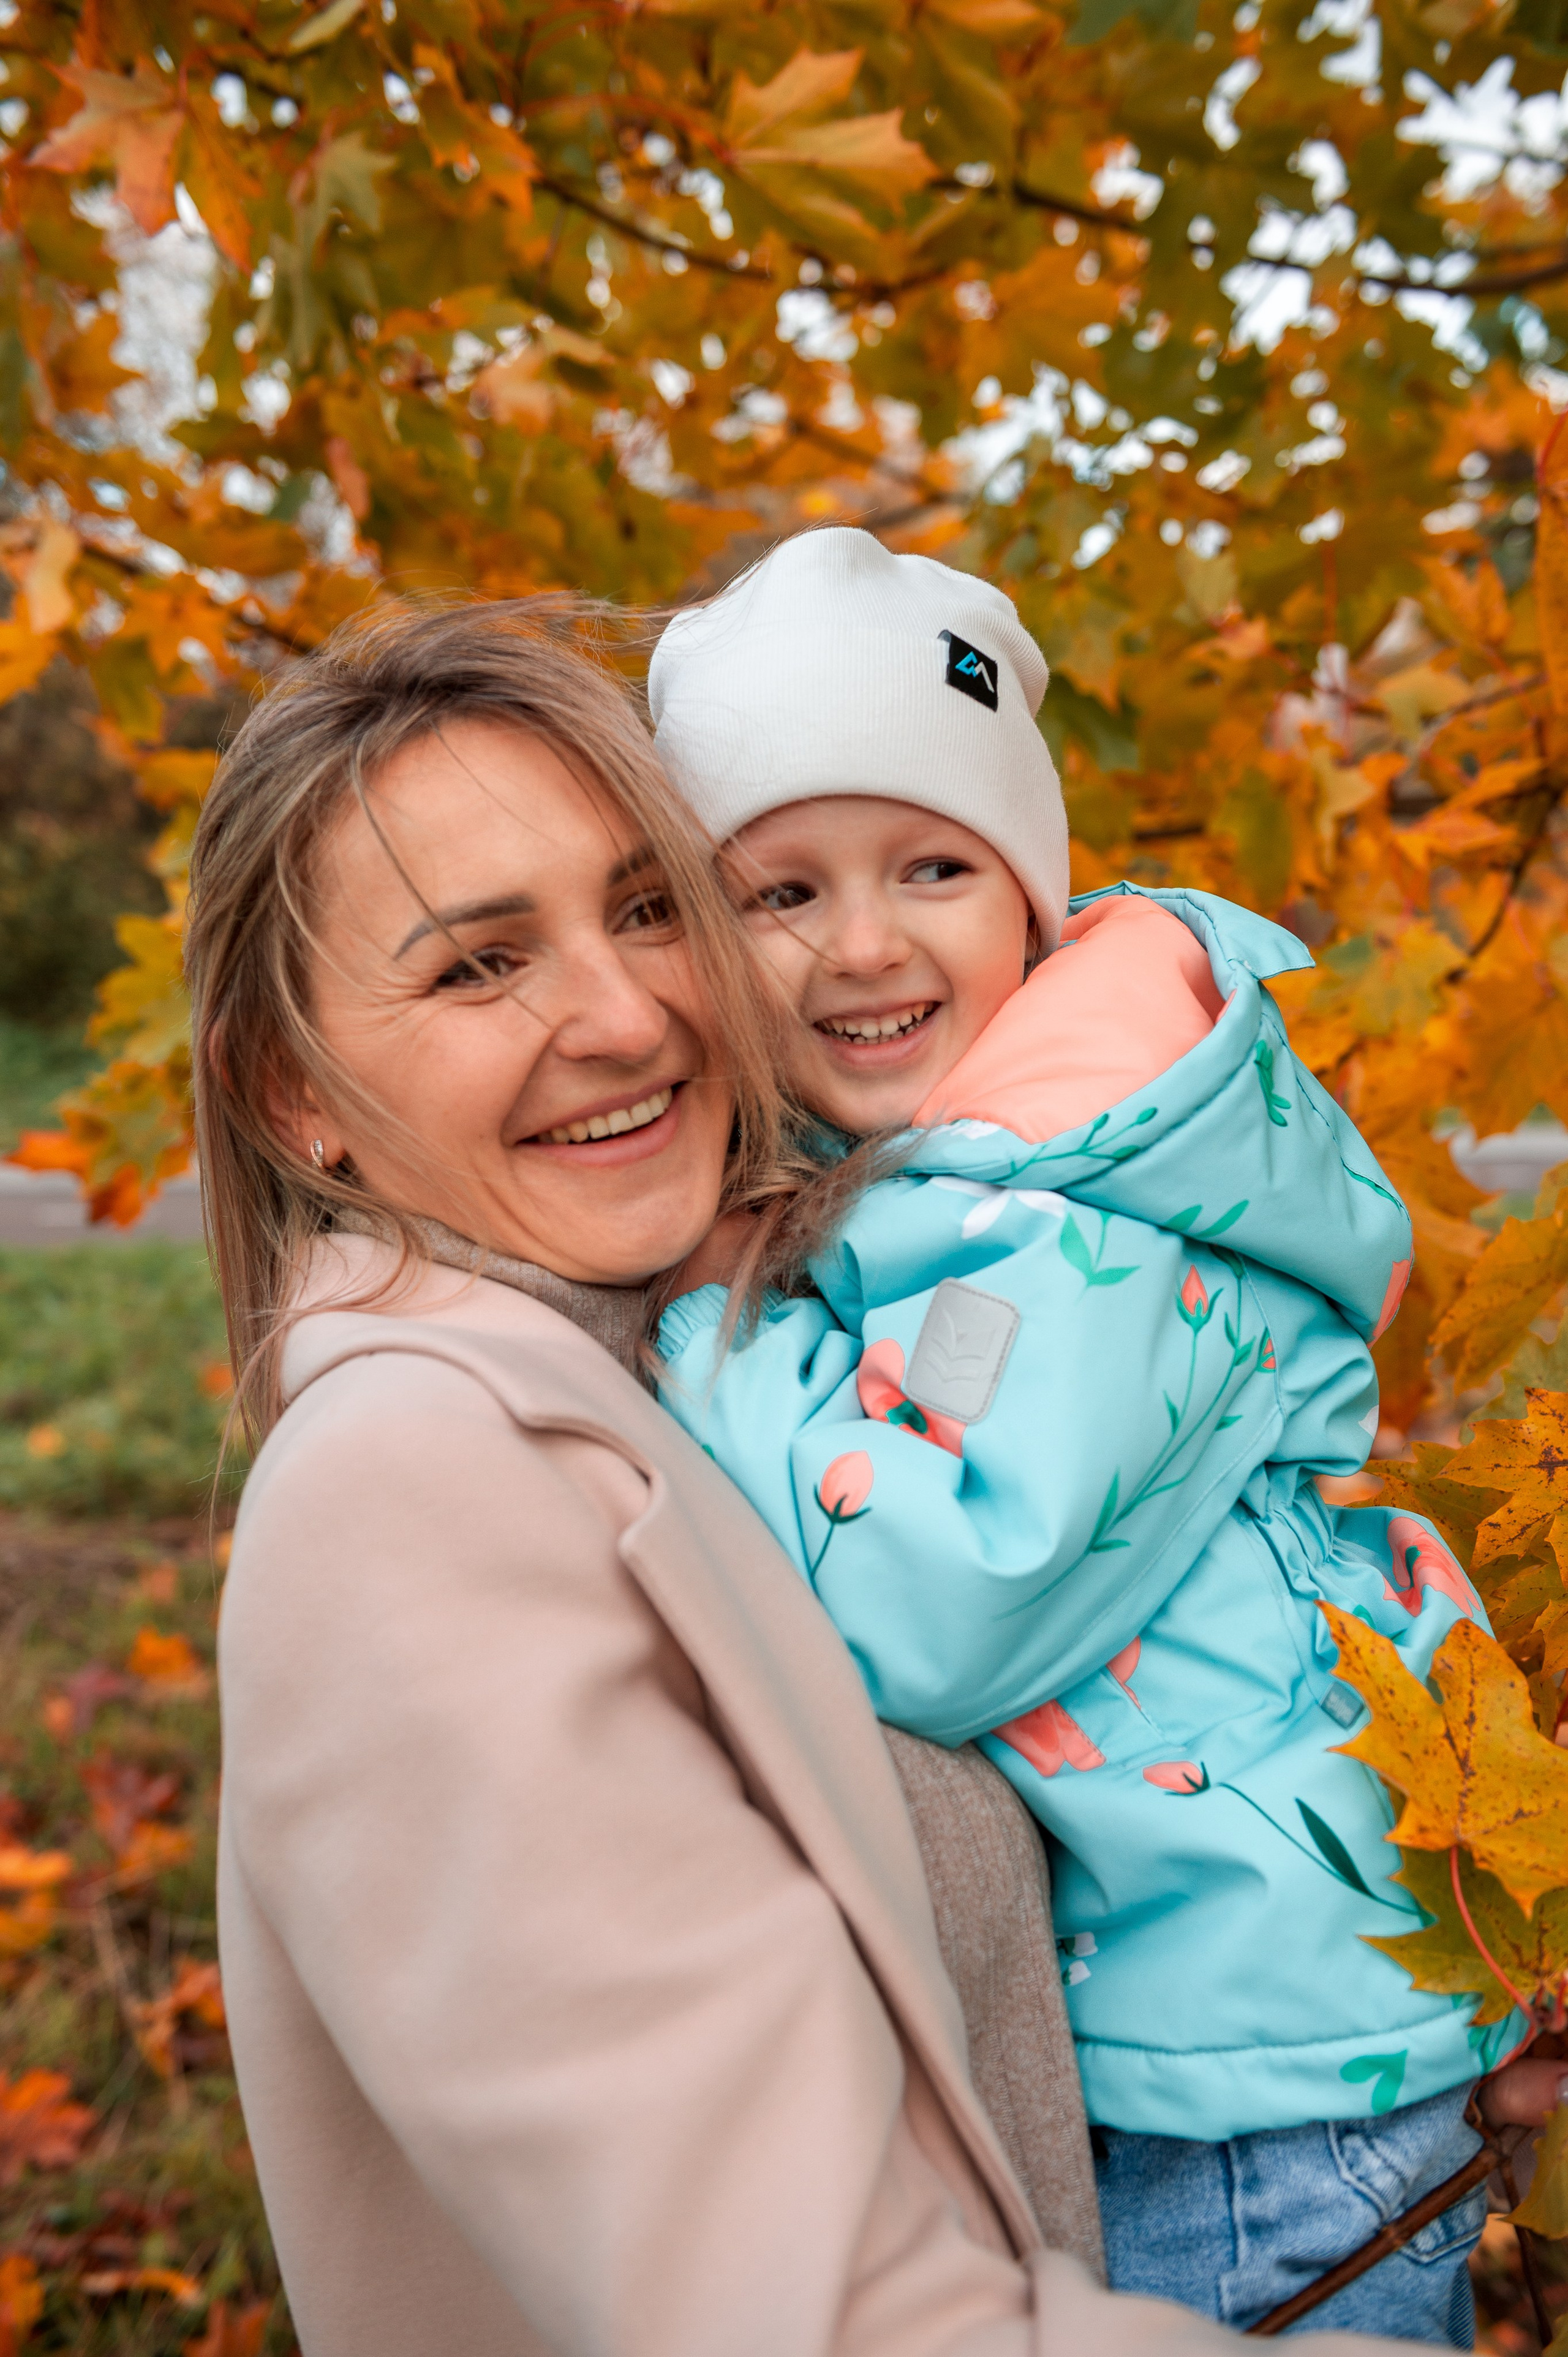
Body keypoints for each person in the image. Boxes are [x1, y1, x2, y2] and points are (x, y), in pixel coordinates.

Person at [190, 594, 1402, 2357]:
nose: (624, 1015)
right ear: (292, 1090)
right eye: (479, 963)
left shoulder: (751, 1344)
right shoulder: (411, 1497)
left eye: (646, 906)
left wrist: (1345, 2028)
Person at [647, 528, 1542, 2345]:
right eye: (782, 893)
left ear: (1038, 899)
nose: (865, 943)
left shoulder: (1055, 1224)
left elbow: (949, 1598)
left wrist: (700, 1338)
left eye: (932, 867)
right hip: (1263, 2009)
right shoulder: (997, 1167)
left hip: (1251, 2086)